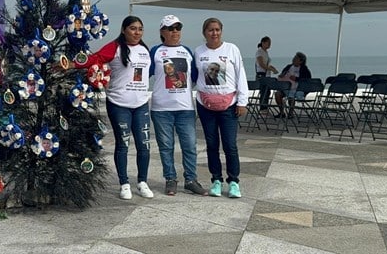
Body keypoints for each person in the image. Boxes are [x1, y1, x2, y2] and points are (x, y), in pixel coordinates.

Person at [62, 15, 153, 200]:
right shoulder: (116, 47)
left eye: (140, 29)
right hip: (119, 104)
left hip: (141, 104)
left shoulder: (144, 49)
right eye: (133, 28)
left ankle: (142, 182)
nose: (137, 32)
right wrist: (71, 64)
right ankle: (124, 183)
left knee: (144, 145)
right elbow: (95, 59)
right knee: (123, 144)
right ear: (124, 30)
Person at [149, 15, 207, 196]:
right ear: (162, 32)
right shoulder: (155, 51)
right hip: (161, 109)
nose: (175, 31)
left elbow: (196, 77)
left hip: (185, 109)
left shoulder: (188, 51)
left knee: (189, 145)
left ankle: (191, 179)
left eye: (178, 27)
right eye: (170, 28)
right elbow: (143, 73)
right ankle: (170, 179)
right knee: (166, 146)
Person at [194, 17, 248, 198]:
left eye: (217, 29)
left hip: (229, 106)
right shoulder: (198, 52)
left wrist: (242, 101)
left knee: (230, 145)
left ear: (221, 31)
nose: (214, 33)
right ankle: (216, 180)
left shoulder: (232, 49)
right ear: (204, 33)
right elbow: (194, 78)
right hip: (205, 106)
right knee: (211, 144)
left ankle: (233, 182)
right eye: (210, 30)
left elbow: (241, 75)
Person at [274, 51, 312, 119]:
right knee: (277, 94)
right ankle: (282, 113)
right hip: (286, 87)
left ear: (301, 61)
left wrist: (297, 79)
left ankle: (290, 113)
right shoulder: (289, 67)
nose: (293, 59)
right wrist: (282, 75)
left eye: (296, 58)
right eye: (294, 58)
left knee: (291, 96)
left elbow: (307, 81)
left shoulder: (304, 70)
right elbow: (283, 74)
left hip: (297, 89)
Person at [255, 36, 279, 111]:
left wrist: (273, 69)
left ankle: (265, 107)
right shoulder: (259, 51)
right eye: (268, 43)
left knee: (267, 91)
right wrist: (270, 69)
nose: (269, 45)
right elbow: (261, 64)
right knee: (264, 92)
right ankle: (263, 108)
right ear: (263, 43)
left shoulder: (265, 52)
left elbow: (266, 64)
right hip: (262, 74)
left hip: (267, 74)